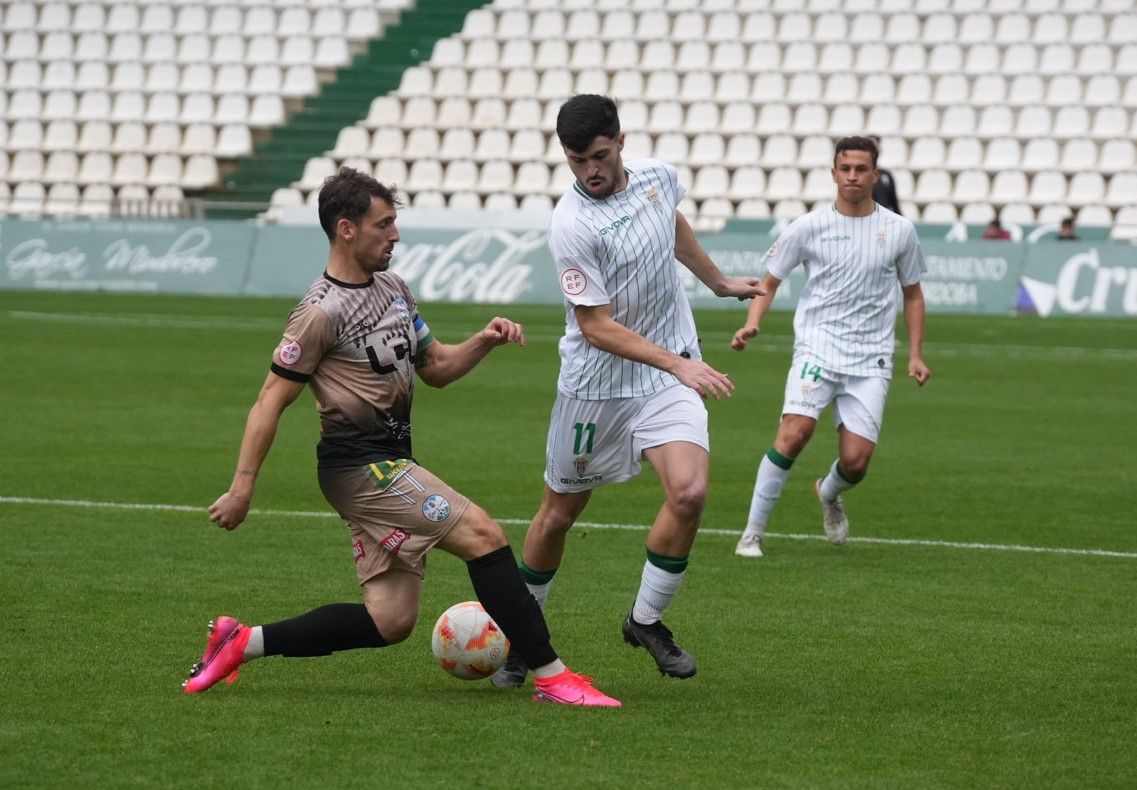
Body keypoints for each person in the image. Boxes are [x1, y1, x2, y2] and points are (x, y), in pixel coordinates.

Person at [182, 167, 620, 707]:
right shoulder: (319, 312)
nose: (395, 234)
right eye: (383, 224)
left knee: (390, 620)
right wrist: (243, 486)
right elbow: (270, 399)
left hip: (389, 461)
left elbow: (434, 366)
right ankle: (554, 677)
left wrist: (483, 340)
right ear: (346, 229)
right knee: (483, 535)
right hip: (359, 469)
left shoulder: (394, 290)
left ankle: (241, 641)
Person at [490, 94, 764, 688]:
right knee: (559, 514)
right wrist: (680, 364)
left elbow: (673, 224)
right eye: (575, 159)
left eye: (597, 154)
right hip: (596, 387)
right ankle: (523, 637)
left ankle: (646, 619)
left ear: (620, 142)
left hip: (666, 374)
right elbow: (595, 325)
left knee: (689, 493)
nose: (588, 169)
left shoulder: (660, 179)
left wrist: (715, 282)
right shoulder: (570, 224)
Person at [730, 136, 930, 559]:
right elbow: (769, 281)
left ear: (876, 175)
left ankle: (828, 492)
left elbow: (912, 294)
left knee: (856, 462)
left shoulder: (899, 231)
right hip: (817, 348)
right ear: (834, 173)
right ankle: (752, 533)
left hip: (871, 357)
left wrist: (914, 354)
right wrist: (751, 323)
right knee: (793, 435)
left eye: (862, 169)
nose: (853, 176)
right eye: (846, 168)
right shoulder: (808, 227)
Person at [869, 135, 902, 216]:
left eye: (876, 146)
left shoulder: (886, 175)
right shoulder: (857, 176)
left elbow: (894, 204)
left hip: (884, 221)